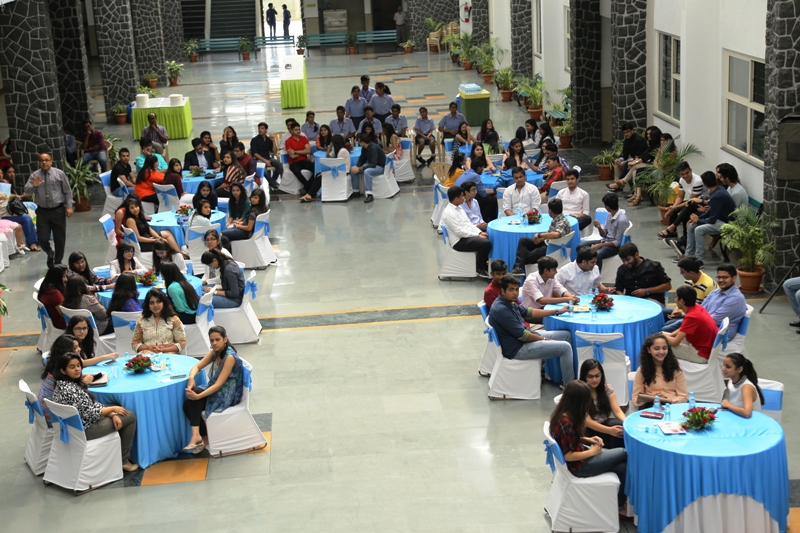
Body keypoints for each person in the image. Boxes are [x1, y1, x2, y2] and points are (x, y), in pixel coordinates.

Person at [51, 353, 139, 472]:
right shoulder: (70, 389)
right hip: (84, 429)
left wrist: (112, 413)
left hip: (72, 428)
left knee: (117, 408)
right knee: (130, 416)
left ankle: (117, 454)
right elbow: (90, 413)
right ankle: (124, 460)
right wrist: (112, 409)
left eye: (78, 365)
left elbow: (89, 406)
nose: (77, 369)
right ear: (63, 370)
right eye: (72, 367)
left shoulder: (62, 384)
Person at [549, 381, 628, 508]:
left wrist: (589, 439)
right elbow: (568, 456)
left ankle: (619, 504)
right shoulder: (566, 423)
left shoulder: (563, 416)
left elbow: (571, 440)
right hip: (580, 466)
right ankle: (621, 505)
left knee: (622, 468)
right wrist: (592, 452)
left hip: (581, 458)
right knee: (624, 453)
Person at [489, 275, 574, 385]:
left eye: (516, 289)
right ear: (502, 291)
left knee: (566, 335)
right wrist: (544, 339)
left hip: (525, 338)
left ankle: (556, 375)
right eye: (511, 289)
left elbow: (529, 312)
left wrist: (557, 311)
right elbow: (524, 336)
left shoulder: (509, 302)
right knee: (565, 347)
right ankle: (569, 386)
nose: (515, 293)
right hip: (518, 349)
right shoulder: (501, 310)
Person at [182, 326, 245, 454]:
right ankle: (200, 436)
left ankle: (199, 436)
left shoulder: (229, 357)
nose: (214, 343)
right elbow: (197, 366)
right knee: (187, 404)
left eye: (217, 339)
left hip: (227, 394)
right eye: (212, 340)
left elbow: (218, 385)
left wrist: (198, 396)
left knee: (194, 398)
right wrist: (191, 378)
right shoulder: (214, 352)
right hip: (216, 389)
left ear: (225, 339)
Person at [25, 153, 73, 268]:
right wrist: (34, 186)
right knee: (42, 238)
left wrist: (69, 206)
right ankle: (50, 252)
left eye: (47, 160)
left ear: (51, 161)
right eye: (42, 160)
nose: (44, 162)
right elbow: (27, 191)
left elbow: (67, 191)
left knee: (59, 238)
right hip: (42, 211)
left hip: (58, 210)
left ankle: (58, 262)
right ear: (39, 163)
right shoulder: (35, 175)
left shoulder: (59, 174)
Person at [681, 171, 736, 264]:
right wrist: (696, 219)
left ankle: (699, 260)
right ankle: (688, 255)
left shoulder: (717, 195)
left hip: (727, 223)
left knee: (699, 230)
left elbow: (712, 219)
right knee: (691, 226)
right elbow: (711, 211)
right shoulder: (718, 190)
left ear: (705, 184)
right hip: (719, 219)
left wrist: (698, 220)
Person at [440, 186, 492, 277]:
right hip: (459, 241)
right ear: (456, 199)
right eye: (462, 196)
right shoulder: (449, 213)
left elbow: (468, 224)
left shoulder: (459, 208)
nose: (464, 198)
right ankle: (479, 268)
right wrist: (477, 235)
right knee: (485, 243)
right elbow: (459, 232)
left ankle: (485, 263)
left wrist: (479, 232)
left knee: (488, 236)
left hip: (466, 236)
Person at [510, 198, 571, 274]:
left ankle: (518, 268)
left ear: (550, 211)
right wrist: (541, 239)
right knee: (523, 241)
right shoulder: (557, 219)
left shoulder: (562, 222)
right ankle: (518, 268)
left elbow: (557, 234)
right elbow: (550, 234)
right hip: (547, 242)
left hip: (551, 248)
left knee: (524, 257)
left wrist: (540, 235)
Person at [663, 286, 719, 363]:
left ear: (681, 301)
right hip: (704, 345)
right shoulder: (697, 307)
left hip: (701, 354)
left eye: (676, 297)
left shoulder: (691, 317)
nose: (675, 299)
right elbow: (683, 328)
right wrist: (669, 335)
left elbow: (676, 342)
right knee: (661, 336)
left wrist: (661, 337)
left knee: (658, 345)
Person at [632, 333, 688, 408]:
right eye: (657, 349)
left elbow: (684, 397)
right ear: (649, 350)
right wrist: (651, 397)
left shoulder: (676, 369)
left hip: (672, 406)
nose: (661, 352)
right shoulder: (642, 370)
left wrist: (668, 399)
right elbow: (635, 399)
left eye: (664, 348)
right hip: (651, 406)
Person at [579, 359, 627, 449]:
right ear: (584, 376)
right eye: (590, 376)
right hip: (588, 430)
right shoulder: (581, 392)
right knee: (615, 434)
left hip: (605, 424)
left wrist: (627, 423)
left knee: (620, 428)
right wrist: (609, 430)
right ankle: (618, 454)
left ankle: (620, 453)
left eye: (597, 376)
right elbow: (587, 421)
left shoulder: (606, 388)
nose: (594, 380)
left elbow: (617, 411)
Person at [576, 193, 628, 270]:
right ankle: (582, 269)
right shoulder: (609, 215)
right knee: (580, 246)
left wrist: (600, 245)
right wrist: (599, 227)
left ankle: (596, 274)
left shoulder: (622, 220)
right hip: (604, 241)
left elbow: (617, 243)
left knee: (597, 254)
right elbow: (604, 234)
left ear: (607, 207)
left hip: (613, 247)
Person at [697, 264, 748, 341]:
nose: (721, 280)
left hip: (719, 335)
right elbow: (700, 309)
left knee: (681, 331)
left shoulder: (735, 298)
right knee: (680, 325)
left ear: (734, 278)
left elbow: (714, 320)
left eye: (725, 277)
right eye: (719, 277)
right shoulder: (715, 292)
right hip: (707, 327)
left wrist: (693, 321)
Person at [38, 335, 82, 425]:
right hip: (56, 420)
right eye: (75, 347)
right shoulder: (61, 380)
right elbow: (83, 408)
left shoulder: (52, 366)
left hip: (45, 414)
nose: (79, 349)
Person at [662, 256, 716, 328]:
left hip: (697, 317)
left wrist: (682, 314)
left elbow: (705, 311)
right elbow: (683, 296)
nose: (680, 273)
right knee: (662, 313)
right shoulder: (689, 280)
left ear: (691, 273)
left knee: (668, 325)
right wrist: (677, 309)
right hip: (687, 310)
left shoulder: (709, 286)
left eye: (682, 272)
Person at [657, 161, 705, 239]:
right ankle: (672, 232)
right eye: (682, 174)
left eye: (687, 173)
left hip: (699, 204)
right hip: (690, 202)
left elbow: (692, 200)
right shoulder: (681, 180)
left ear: (691, 170)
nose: (685, 176)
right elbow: (680, 197)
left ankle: (679, 233)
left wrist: (675, 207)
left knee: (685, 209)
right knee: (674, 208)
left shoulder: (697, 181)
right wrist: (673, 207)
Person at [132, 289, 186, 353]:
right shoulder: (142, 321)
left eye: (158, 301)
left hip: (168, 354)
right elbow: (135, 343)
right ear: (148, 305)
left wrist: (163, 350)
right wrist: (149, 348)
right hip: (147, 355)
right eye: (152, 303)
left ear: (164, 303)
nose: (155, 305)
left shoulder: (174, 319)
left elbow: (182, 343)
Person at [0, 173, 38, 251]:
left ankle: (37, 240)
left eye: (1, 173)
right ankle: (32, 243)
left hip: (9, 211)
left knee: (30, 212)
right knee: (26, 218)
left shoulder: (3, 185)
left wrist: (14, 196)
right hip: (3, 215)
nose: (0, 175)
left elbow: (7, 196)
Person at [721, 352, 764, 418]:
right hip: (738, 417)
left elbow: (747, 413)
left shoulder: (746, 387)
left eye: (728, 366)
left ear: (739, 369)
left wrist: (728, 405)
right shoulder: (730, 381)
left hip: (752, 421)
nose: (723, 369)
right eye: (723, 365)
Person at [350, 133, 385, 204]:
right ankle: (356, 191)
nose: (358, 143)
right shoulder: (364, 148)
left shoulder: (374, 148)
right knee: (353, 169)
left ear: (363, 142)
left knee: (367, 171)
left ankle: (369, 194)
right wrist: (357, 167)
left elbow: (373, 163)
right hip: (371, 165)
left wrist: (360, 168)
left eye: (359, 141)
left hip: (379, 167)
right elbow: (361, 159)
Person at [249, 122, 282, 189]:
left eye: (262, 128)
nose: (260, 130)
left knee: (279, 165)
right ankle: (273, 183)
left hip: (268, 158)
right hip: (258, 160)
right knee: (264, 170)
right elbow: (254, 153)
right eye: (259, 128)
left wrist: (273, 141)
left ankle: (272, 182)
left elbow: (274, 151)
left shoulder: (268, 140)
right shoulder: (254, 140)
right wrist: (265, 161)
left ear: (266, 130)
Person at [285, 122, 315, 192]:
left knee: (316, 169)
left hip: (304, 160)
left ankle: (306, 188)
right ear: (292, 131)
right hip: (293, 162)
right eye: (296, 130)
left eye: (299, 129)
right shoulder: (288, 141)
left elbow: (308, 151)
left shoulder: (304, 138)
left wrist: (295, 151)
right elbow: (292, 156)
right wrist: (303, 152)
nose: (298, 131)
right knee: (296, 171)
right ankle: (309, 187)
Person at [38, 265, 68, 329]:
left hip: (52, 321)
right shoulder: (55, 294)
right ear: (57, 278)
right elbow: (64, 314)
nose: (66, 279)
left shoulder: (45, 287)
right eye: (64, 277)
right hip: (61, 324)